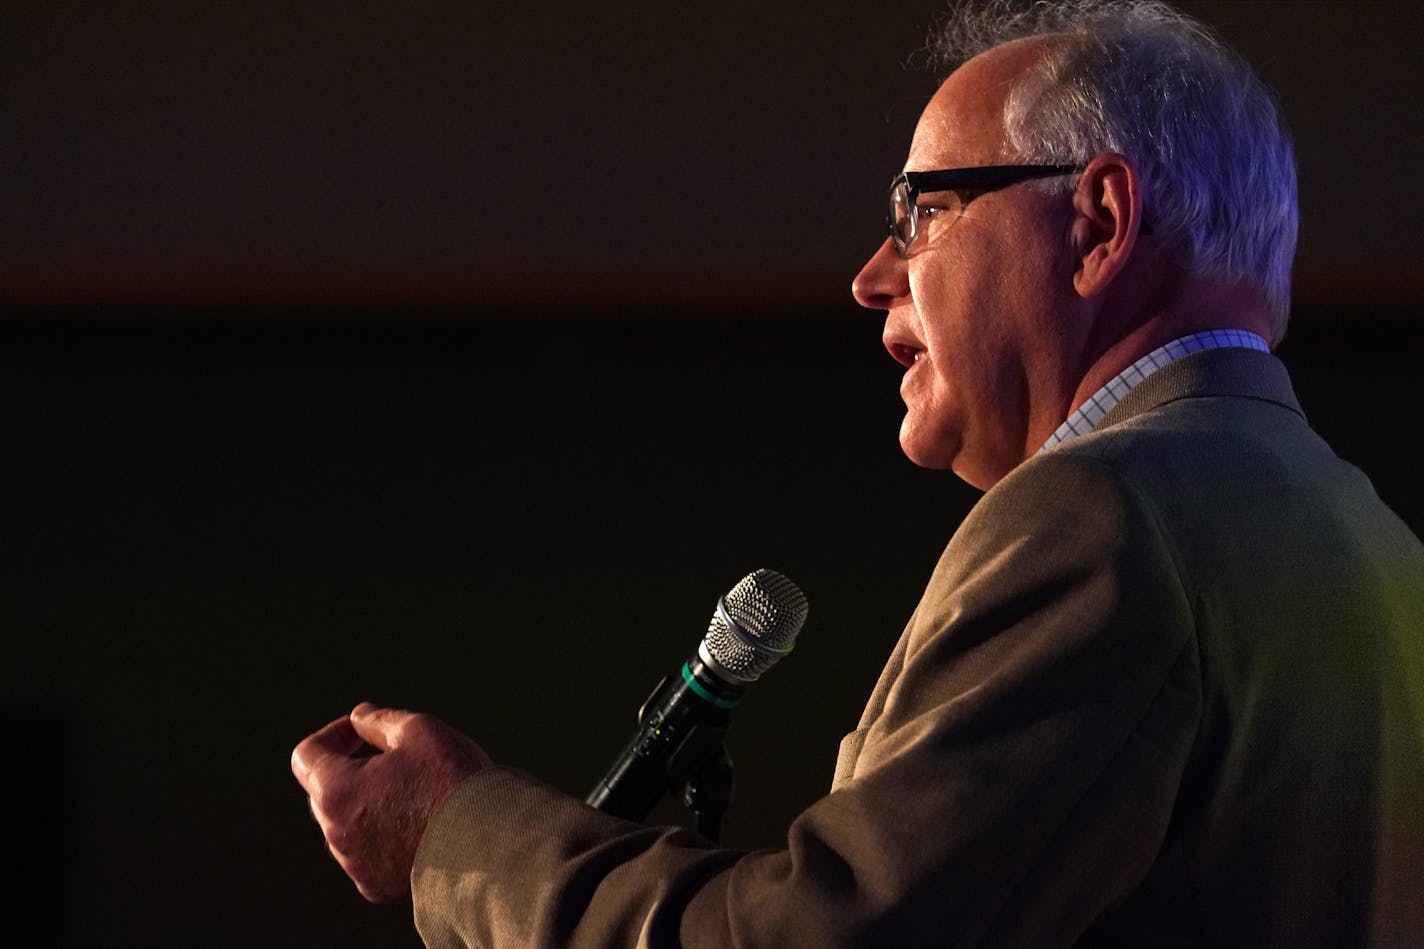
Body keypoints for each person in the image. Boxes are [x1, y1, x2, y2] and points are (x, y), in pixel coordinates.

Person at [292, 1, 1424, 945]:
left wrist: (454, 833)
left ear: (1096, 222)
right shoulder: (1370, 541)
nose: (870, 276)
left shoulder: (1099, 517)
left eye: (921, 212)